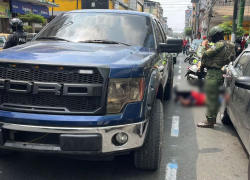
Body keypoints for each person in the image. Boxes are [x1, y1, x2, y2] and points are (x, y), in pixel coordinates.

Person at [197, 26, 235, 128]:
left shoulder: (218, 45)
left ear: (216, 35)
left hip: (213, 73)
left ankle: (210, 121)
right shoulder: (229, 45)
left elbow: (205, 54)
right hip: (220, 72)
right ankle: (212, 118)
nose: (210, 39)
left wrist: (204, 46)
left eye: (211, 37)